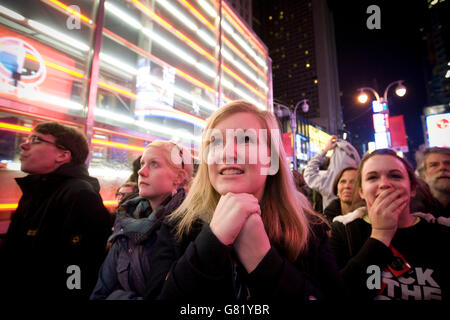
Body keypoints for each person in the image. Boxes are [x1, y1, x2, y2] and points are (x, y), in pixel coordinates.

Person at [145, 100, 345, 301]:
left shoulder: (309, 229)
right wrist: (212, 242)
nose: (227, 153)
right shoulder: (176, 226)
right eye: (215, 142)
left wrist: (264, 262)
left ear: (270, 157)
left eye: (246, 139)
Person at [0, 122, 112, 300]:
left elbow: (79, 265)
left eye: (36, 140)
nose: (24, 144)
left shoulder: (80, 195)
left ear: (63, 155)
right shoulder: (35, 190)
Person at [329, 149, 450, 300]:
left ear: (412, 188)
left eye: (395, 176)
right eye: (372, 177)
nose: (384, 184)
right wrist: (380, 235)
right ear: (361, 191)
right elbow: (337, 294)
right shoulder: (343, 231)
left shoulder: (442, 232)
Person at [90, 140, 193, 300]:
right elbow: (100, 292)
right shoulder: (127, 219)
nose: (141, 172)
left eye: (154, 164)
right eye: (142, 163)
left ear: (179, 177)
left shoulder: (189, 227)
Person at [304, 135, 360, 212]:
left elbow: (309, 172)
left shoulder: (327, 180)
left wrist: (324, 150)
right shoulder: (361, 180)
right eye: (343, 182)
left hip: (330, 221)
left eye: (352, 182)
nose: (347, 186)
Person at [416, 147, 450, 217]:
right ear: (423, 175)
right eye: (434, 165)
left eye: (448, 163)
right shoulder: (413, 209)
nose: (442, 168)